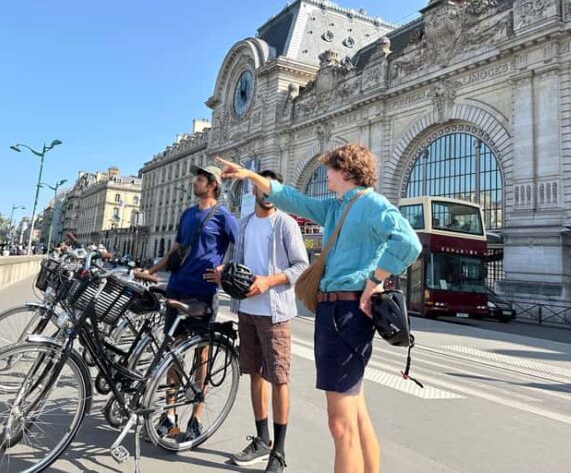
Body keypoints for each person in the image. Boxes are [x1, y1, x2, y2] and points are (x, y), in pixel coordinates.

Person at [217, 145, 421, 473]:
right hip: (336, 313)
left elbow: (409, 243)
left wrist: (374, 280)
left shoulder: (371, 204)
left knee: (340, 426)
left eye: (330, 168)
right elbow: (292, 199)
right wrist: (249, 175)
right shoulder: (336, 207)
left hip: (346, 313)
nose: (325, 174)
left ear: (346, 171)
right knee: (355, 414)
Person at [204, 170, 308, 473]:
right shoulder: (246, 225)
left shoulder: (286, 224)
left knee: (279, 378)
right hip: (247, 310)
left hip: (275, 313)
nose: (263, 191)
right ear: (253, 189)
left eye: (268, 187)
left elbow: (302, 266)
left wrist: (269, 281)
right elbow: (240, 264)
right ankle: (262, 439)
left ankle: (279, 450)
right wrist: (225, 270)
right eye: (258, 186)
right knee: (255, 375)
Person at [138, 164, 238, 443]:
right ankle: (169, 416)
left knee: (201, 355)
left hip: (203, 293)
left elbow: (239, 248)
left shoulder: (224, 217)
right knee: (173, 353)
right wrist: (153, 271)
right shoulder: (187, 214)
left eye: (201, 178)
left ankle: (196, 416)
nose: (195, 181)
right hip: (177, 288)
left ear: (213, 185)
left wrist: (224, 272)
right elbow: (174, 250)